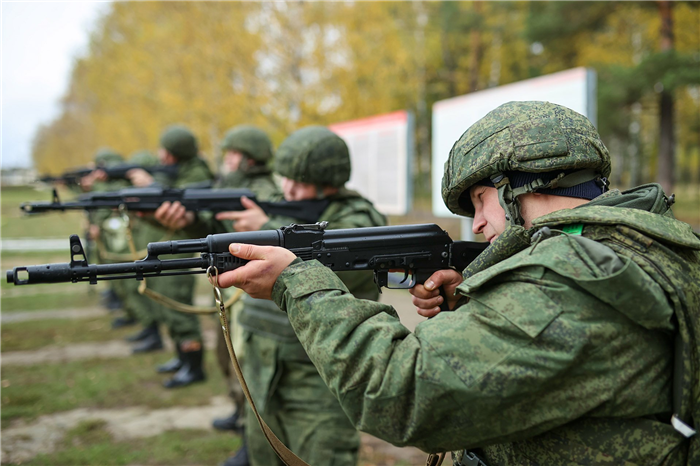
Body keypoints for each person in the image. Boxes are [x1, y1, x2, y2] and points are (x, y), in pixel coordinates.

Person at [215, 102, 699, 465]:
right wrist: (484, 303)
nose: (478, 226)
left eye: (481, 200)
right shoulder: (648, 240)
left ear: (520, 187)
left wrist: (298, 283)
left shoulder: (573, 281)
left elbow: (399, 392)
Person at [220, 126, 387, 466]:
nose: (289, 189)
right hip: (263, 364)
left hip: (317, 374)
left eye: (301, 181)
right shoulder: (289, 209)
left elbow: (335, 259)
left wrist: (267, 222)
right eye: (286, 179)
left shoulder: (358, 218)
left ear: (330, 180)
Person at [127, 125, 214, 388]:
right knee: (168, 306)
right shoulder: (178, 173)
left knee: (179, 309)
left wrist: (151, 186)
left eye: (166, 151)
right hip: (172, 249)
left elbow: (179, 206)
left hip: (181, 252)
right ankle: (182, 357)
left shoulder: (196, 174)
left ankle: (193, 365)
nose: (161, 156)